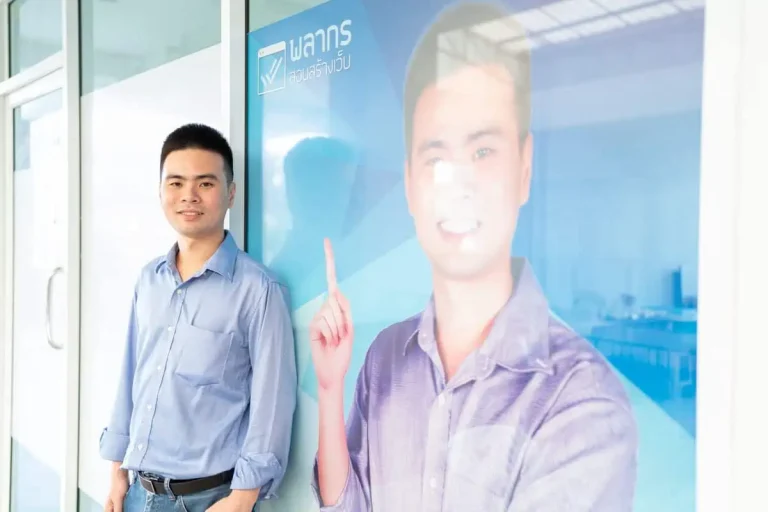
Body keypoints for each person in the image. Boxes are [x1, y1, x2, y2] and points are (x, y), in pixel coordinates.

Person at [308, 3, 638, 511]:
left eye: (483, 152)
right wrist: (330, 388)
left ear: (524, 168)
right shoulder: (385, 358)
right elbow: (348, 504)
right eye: (436, 157)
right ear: (411, 184)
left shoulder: (581, 399)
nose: (457, 184)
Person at [100, 124, 297, 512]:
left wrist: (242, 499)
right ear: (161, 191)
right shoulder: (149, 279)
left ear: (230, 193)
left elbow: (273, 403)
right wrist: (116, 470)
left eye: (205, 183)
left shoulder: (258, 290)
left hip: (208, 500)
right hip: (136, 492)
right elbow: (131, 377)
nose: (189, 195)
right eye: (176, 183)